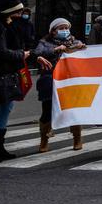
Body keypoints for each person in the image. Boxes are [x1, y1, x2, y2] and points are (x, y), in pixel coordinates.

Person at [33, 18, 87, 152]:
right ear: (53, 31)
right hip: (50, 80)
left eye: (66, 28)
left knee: (73, 110)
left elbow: (86, 56)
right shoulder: (44, 43)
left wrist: (82, 48)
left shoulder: (75, 42)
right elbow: (37, 53)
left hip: (70, 81)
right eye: (61, 28)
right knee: (47, 110)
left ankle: (77, 138)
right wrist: (56, 50)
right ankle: (44, 140)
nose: (64, 31)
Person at [0, 0, 32, 162]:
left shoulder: (5, 25)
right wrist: (20, 55)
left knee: (5, 108)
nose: (20, 15)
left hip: (5, 75)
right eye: (17, 11)